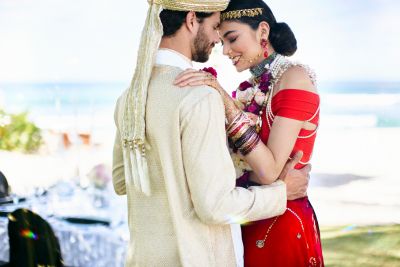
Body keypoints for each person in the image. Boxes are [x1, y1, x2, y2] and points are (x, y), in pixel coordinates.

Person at [112, 0, 310, 266]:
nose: (218, 40)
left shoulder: (130, 98)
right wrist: (280, 194)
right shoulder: (198, 97)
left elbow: (123, 180)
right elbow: (215, 206)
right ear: (192, 20)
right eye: (216, 26)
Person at [174, 0, 324, 266]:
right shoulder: (257, 85)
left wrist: (223, 99)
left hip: (281, 222)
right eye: (222, 43)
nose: (226, 51)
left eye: (232, 39)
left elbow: (269, 172)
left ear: (262, 31)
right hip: (252, 213)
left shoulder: (295, 78)